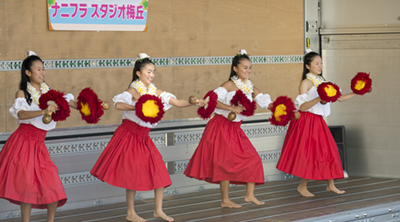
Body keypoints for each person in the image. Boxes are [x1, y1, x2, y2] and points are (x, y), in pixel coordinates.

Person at [91, 53, 204, 222]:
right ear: (138, 73)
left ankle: (158, 210)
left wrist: (195, 102)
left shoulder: (156, 92)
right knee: (132, 173)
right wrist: (137, 107)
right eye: (148, 71)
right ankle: (130, 213)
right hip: (129, 134)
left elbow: (178, 102)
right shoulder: (133, 90)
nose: (152, 75)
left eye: (153, 72)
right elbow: (117, 104)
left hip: (144, 137)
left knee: (159, 169)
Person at [184, 49, 273, 208]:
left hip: (235, 128)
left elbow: (265, 102)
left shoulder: (250, 86)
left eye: (250, 67)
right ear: (235, 69)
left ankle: (249, 195)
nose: (248, 70)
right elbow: (213, 100)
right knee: (224, 163)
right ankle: (225, 200)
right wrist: (231, 108)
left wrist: (282, 108)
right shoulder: (229, 85)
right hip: (221, 126)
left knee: (253, 158)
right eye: (245, 67)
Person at [0, 51, 77, 222]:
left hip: (39, 144)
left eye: (43, 69)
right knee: (26, 187)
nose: (42, 73)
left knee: (52, 184)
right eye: (38, 69)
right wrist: (43, 110)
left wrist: (89, 105)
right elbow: (21, 115)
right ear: (28, 72)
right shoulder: (22, 93)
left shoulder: (49, 93)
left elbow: (71, 103)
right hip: (23, 142)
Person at [276, 51, 357, 197]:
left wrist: (358, 92)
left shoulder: (323, 81)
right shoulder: (305, 83)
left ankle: (330, 184)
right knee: (309, 154)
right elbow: (302, 107)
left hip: (318, 120)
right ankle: (302, 186)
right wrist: (319, 98)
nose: (320, 66)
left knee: (329, 150)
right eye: (316, 63)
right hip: (306, 121)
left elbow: (340, 98)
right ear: (308, 66)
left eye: (321, 63)